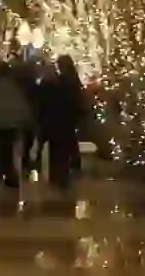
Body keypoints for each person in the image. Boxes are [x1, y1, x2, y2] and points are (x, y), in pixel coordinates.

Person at [0, 61, 32, 188]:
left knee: (1, 148)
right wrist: (23, 118)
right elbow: (21, 106)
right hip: (12, 124)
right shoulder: (15, 87)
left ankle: (0, 174)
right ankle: (6, 175)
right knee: (7, 150)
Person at [43, 55, 85, 189]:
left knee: (59, 147)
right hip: (68, 117)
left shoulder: (62, 81)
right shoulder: (73, 80)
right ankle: (65, 171)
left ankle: (59, 175)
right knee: (66, 144)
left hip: (60, 117)